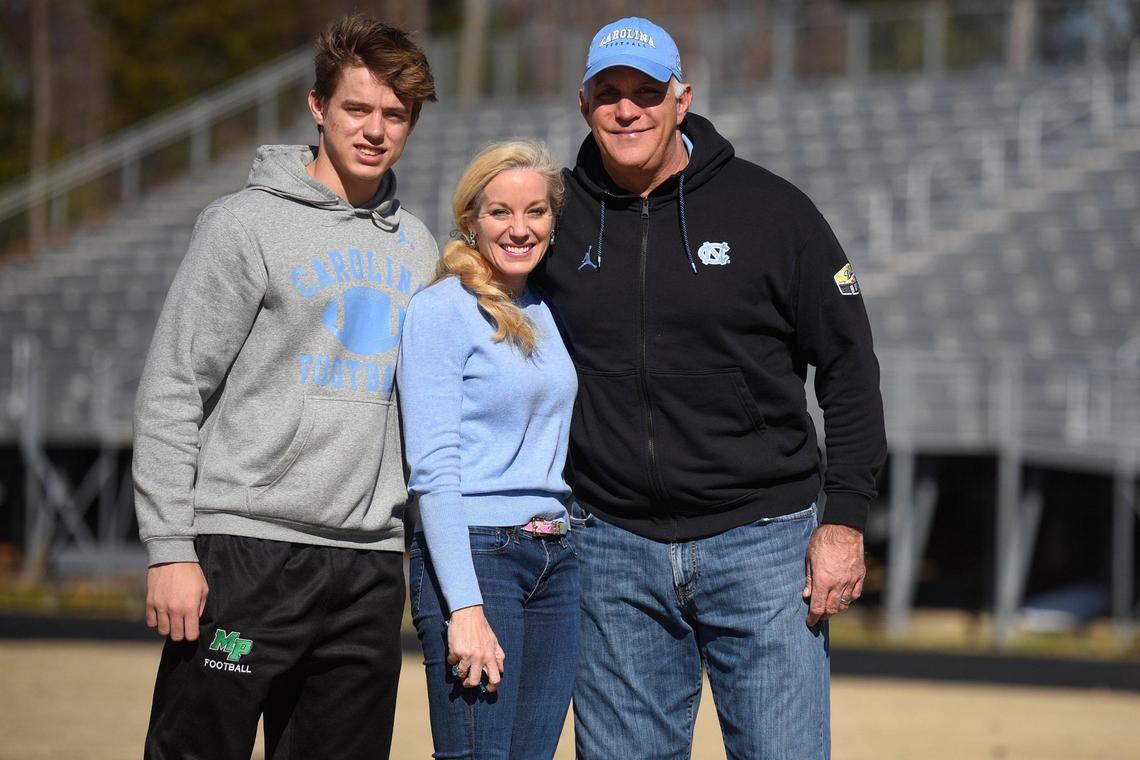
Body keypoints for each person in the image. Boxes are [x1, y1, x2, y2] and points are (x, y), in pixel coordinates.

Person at [531, 16, 888, 760]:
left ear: (681, 99)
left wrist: (845, 519)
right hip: (610, 550)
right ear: (583, 103)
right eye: (609, 94)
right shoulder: (552, 221)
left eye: (646, 93)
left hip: (763, 545)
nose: (627, 110)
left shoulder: (773, 210)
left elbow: (849, 365)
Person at [132, 15, 437, 759]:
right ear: (317, 107)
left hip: (368, 564)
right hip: (249, 550)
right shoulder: (242, 225)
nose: (375, 130)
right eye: (357, 109)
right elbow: (175, 385)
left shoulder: (421, 246)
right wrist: (170, 547)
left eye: (395, 115)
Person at [397, 139, 579, 759]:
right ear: (470, 220)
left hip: (556, 556)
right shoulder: (440, 310)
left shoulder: (548, 310)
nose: (520, 228)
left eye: (536, 211)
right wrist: (465, 607)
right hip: (479, 555)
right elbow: (433, 469)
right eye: (500, 211)